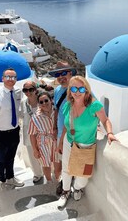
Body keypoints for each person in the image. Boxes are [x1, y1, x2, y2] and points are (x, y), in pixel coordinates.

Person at [57, 75, 117, 209]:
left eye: (81, 89)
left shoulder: (94, 106)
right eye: (74, 88)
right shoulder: (68, 105)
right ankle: (65, 192)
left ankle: (77, 188)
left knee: (84, 175)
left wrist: (110, 133)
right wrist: (61, 143)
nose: (77, 92)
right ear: (70, 91)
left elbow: (105, 120)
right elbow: (67, 126)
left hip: (86, 147)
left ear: (87, 90)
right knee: (66, 170)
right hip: (69, 143)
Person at [0, 68, 24, 190]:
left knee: (11, 157)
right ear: (3, 79)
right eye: (8, 77)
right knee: (0, 159)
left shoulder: (18, 92)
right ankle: (1, 180)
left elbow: (19, 111)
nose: (10, 79)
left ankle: (11, 178)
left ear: (16, 79)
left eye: (13, 77)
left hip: (14, 131)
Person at [48, 61, 77, 194]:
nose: (61, 76)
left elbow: (94, 107)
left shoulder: (79, 89)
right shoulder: (58, 90)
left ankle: (74, 184)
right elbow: (56, 110)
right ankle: (65, 183)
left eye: (64, 73)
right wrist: (54, 128)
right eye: (58, 74)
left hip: (77, 134)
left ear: (71, 73)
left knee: (75, 160)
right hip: (61, 133)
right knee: (64, 160)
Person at [28, 91, 56, 183]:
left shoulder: (57, 112)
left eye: (46, 100)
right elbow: (32, 134)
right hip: (43, 142)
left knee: (57, 162)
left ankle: (57, 179)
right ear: (39, 104)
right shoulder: (35, 117)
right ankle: (49, 181)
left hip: (56, 141)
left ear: (51, 100)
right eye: (41, 102)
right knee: (46, 163)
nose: (44, 103)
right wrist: (35, 150)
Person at [20, 81, 43, 183]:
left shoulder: (42, 101)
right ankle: (37, 174)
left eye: (31, 89)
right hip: (29, 133)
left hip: (42, 132)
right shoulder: (23, 103)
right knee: (33, 154)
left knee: (46, 154)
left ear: (36, 90)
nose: (28, 92)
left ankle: (49, 173)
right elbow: (21, 115)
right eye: (25, 90)